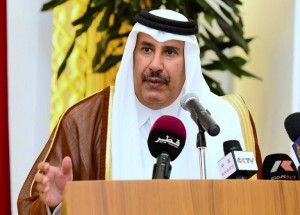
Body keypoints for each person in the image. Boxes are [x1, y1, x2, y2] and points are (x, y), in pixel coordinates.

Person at [18, 8, 254, 214]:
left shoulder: (225, 119)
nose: (155, 65)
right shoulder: (87, 120)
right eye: (147, 49)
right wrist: (59, 206)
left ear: (188, 62)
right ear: (133, 54)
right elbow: (31, 206)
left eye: (170, 52)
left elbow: (259, 202)